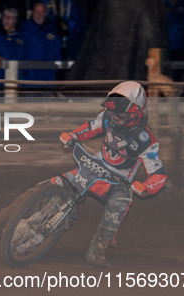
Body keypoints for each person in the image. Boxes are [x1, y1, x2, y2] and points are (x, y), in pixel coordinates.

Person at [57, 81, 167, 267]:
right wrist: (73, 135)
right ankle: (4, 218)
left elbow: (159, 175)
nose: (116, 117)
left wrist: (146, 187)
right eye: (114, 112)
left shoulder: (146, 140)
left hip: (117, 182)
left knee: (121, 201)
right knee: (54, 183)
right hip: (92, 168)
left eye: (121, 113)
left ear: (136, 112)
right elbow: (90, 128)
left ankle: (97, 250)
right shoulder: (107, 117)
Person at [19, 1, 61, 83]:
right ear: (32, 12)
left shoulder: (52, 31)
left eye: (41, 11)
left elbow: (58, 53)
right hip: (28, 79)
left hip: (47, 78)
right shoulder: (23, 29)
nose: (39, 14)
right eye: (36, 11)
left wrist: (55, 69)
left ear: (45, 13)